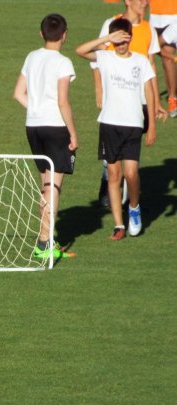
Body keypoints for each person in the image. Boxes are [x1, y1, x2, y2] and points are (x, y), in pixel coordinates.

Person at [76, 17, 157, 240]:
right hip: (110, 123)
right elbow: (80, 51)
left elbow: (149, 92)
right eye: (117, 41)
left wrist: (151, 128)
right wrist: (106, 39)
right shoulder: (105, 57)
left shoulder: (140, 62)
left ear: (130, 38)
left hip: (133, 124)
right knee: (113, 174)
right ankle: (119, 224)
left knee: (131, 174)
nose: (120, 45)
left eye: (124, 40)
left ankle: (133, 208)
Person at [13, 13, 78, 259]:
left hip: (34, 127)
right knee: (54, 187)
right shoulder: (63, 63)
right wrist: (73, 132)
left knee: (46, 185)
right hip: (55, 128)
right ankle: (43, 243)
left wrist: (37, 109)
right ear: (64, 35)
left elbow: (19, 93)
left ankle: (44, 238)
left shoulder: (32, 57)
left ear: (42, 34)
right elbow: (63, 101)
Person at [92, 0, 167, 207]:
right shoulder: (112, 23)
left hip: (141, 97)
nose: (145, 3)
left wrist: (157, 101)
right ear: (128, 1)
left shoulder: (148, 28)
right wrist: (99, 89)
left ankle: (127, 192)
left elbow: (151, 64)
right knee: (114, 150)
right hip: (115, 96)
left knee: (131, 148)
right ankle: (109, 181)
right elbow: (96, 57)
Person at [149, 0, 177, 117]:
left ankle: (172, 98)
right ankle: (151, 96)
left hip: (173, 18)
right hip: (154, 18)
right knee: (152, 56)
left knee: (167, 57)